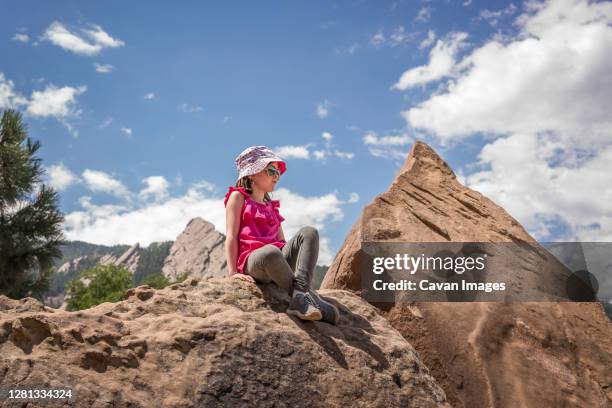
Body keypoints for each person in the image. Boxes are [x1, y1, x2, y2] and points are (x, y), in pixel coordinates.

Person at [224, 145, 339, 324]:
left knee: (309, 232)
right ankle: (310, 298)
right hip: (254, 261)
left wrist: (289, 264)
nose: (276, 177)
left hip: (277, 257)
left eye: (278, 173)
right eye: (271, 171)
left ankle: (301, 295)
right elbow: (231, 235)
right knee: (270, 252)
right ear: (252, 173)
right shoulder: (238, 197)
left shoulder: (271, 206)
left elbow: (282, 241)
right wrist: (232, 272)